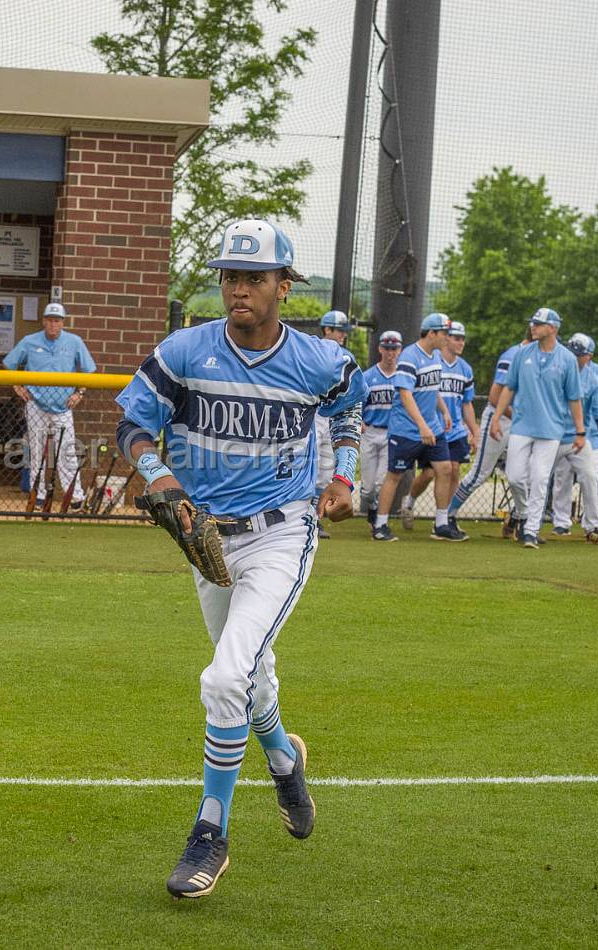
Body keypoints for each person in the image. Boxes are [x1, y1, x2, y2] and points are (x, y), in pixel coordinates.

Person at [114, 218, 367, 898]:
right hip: (208, 538)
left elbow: (349, 408)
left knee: (226, 676)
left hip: (283, 534)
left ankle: (209, 832)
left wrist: (344, 475)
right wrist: (156, 471)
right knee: (249, 683)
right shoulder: (187, 352)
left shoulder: (318, 359)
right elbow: (133, 422)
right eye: (230, 276)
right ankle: (284, 760)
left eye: (254, 278)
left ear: (286, 287)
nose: (239, 290)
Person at [488, 307, 584, 548]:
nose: (533, 326)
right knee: (514, 477)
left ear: (553, 328)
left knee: (540, 478)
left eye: (538, 323)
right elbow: (509, 387)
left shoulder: (567, 359)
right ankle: (522, 513)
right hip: (522, 426)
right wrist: (496, 417)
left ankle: (531, 530)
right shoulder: (522, 354)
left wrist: (580, 432)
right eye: (533, 323)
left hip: (551, 430)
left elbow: (574, 398)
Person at [372, 313, 459, 542]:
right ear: (431, 333)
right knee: (395, 476)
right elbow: (405, 393)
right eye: (444, 333)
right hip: (406, 429)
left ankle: (441, 524)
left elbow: (432, 388)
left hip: (432, 426)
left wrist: (444, 411)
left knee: (445, 469)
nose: (447, 338)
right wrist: (421, 426)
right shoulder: (410, 356)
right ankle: (380, 525)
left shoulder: (436, 356)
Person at [2, 303, 96, 510]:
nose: (54, 324)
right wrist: (17, 386)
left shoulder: (74, 342)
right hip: (36, 404)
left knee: (67, 452)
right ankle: (39, 496)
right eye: (50, 320)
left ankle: (75, 497)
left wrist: (79, 392)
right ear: (44, 321)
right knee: (37, 453)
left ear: (62, 322)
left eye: (57, 320)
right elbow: (9, 364)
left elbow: (89, 370)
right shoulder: (30, 341)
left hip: (63, 405)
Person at [450, 323, 533, 531]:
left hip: (522, 423)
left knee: (529, 474)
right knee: (480, 473)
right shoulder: (513, 354)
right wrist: (518, 417)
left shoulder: (540, 357)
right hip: (501, 418)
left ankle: (517, 519)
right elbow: (495, 397)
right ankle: (446, 517)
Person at [405, 321, 476, 530]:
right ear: (446, 339)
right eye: (456, 337)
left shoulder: (465, 369)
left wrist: (475, 430)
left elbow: (467, 403)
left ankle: (446, 517)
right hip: (432, 427)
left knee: (452, 470)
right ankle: (409, 501)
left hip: (455, 429)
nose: (460, 342)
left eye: (462, 338)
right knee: (428, 473)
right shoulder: (433, 361)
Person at [548, 333, 598, 545]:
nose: (574, 357)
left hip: (580, 438)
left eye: (579, 354)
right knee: (550, 477)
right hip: (554, 434)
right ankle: (552, 522)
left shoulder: (596, 379)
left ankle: (593, 526)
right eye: (572, 352)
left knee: (590, 476)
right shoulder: (556, 371)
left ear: (589, 357)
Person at [313, 310, 352, 537]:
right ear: (327, 329)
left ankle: (316, 519)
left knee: (326, 468)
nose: (343, 335)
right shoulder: (313, 351)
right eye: (339, 330)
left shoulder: (345, 355)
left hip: (333, 416)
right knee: (310, 463)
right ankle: (303, 517)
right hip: (314, 415)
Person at [359, 331, 402, 530]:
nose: (390, 353)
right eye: (387, 348)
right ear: (380, 349)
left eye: (394, 349)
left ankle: (376, 515)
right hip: (370, 431)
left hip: (390, 434)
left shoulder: (403, 377)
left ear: (399, 350)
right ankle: (371, 507)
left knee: (380, 482)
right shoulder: (368, 376)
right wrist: (358, 420)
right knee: (367, 488)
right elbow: (357, 403)